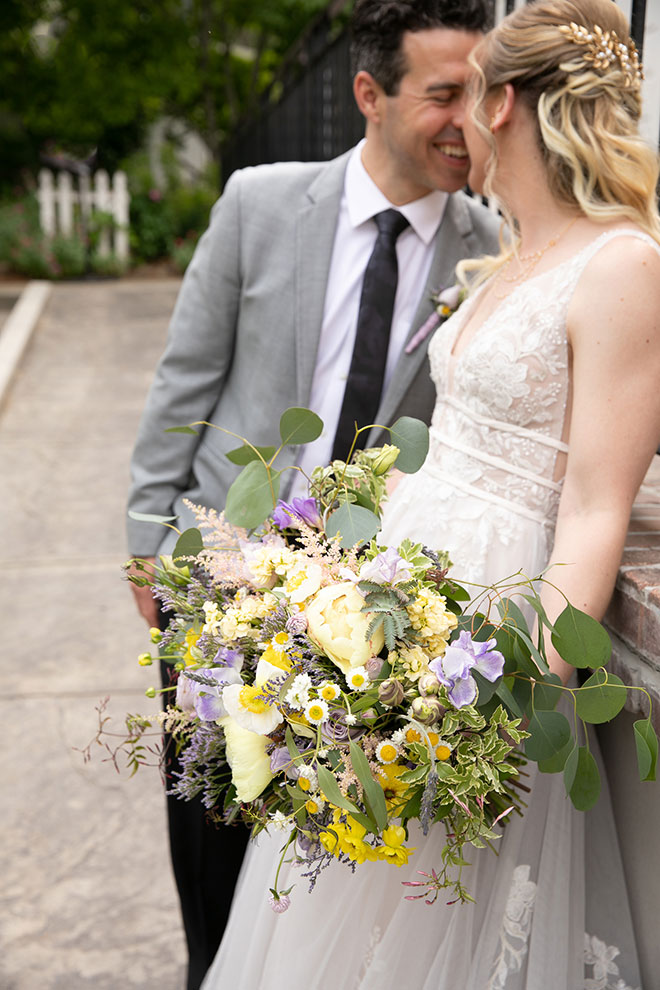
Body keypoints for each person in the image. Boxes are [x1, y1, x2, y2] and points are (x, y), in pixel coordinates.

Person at [200, 1, 660, 987]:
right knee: (344, 890)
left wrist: (502, 706)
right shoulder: (503, 255)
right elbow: (437, 448)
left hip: (488, 632)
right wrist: (318, 582)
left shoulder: (622, 265)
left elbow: (591, 509)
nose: (456, 118)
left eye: (471, 91)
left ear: (504, 107)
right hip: (395, 608)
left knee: (436, 915)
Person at [127, 2, 499, 986]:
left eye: (484, 92)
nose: (472, 120)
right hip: (224, 568)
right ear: (369, 94)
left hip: (371, 603)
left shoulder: (491, 247)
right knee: (212, 821)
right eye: (444, 94)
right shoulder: (260, 201)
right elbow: (184, 380)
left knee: (330, 839)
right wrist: (151, 544)